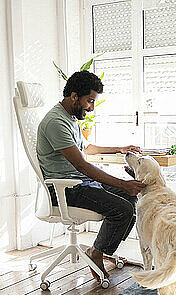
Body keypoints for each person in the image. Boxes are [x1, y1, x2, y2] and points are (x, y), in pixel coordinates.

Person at [37, 70, 145, 282]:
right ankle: (97, 252)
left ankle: (102, 249)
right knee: (122, 209)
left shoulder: (70, 117)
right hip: (66, 189)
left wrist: (120, 148)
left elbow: (88, 149)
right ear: (74, 96)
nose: (92, 108)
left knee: (131, 199)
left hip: (81, 183)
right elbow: (82, 165)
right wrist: (123, 184)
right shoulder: (56, 123)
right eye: (90, 101)